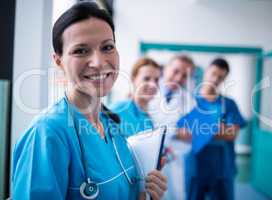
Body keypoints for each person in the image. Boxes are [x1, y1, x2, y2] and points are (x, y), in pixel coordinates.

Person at [12, 2, 167, 200]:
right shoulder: (47, 133)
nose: (99, 62)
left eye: (107, 47)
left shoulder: (113, 127)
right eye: (81, 51)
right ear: (58, 61)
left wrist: (148, 194)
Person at [177, 58, 246, 200]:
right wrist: (218, 127)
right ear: (206, 71)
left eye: (220, 77)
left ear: (224, 79)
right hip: (194, 167)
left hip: (222, 168)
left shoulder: (229, 104)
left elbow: (232, 134)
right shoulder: (188, 101)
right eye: (213, 73)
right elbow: (182, 133)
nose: (215, 79)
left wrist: (198, 126)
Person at [148, 55, 196, 200]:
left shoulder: (190, 101)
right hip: (148, 156)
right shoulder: (148, 90)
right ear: (165, 69)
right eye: (176, 71)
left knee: (176, 193)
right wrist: (175, 130)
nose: (178, 78)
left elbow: (194, 134)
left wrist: (170, 131)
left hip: (174, 158)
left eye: (184, 75)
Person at [110, 57, 161, 137]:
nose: (153, 85)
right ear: (133, 79)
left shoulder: (148, 119)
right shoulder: (118, 110)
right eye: (146, 79)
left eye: (156, 80)